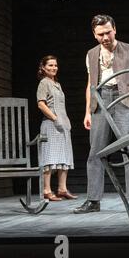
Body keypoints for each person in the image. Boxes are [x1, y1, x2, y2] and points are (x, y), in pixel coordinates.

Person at [74, 14, 129, 214]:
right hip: (100, 100)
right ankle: (93, 200)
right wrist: (87, 111)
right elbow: (90, 85)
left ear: (115, 29)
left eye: (108, 32)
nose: (105, 37)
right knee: (95, 152)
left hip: (125, 99)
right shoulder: (91, 54)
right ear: (94, 34)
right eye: (100, 34)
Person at [36, 55, 78, 201]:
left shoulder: (57, 84)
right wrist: (55, 118)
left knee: (64, 156)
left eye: (55, 65)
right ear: (43, 67)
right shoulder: (44, 83)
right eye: (50, 65)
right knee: (49, 157)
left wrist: (65, 121)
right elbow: (41, 104)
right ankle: (46, 190)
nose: (54, 68)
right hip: (51, 124)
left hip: (62, 125)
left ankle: (62, 189)